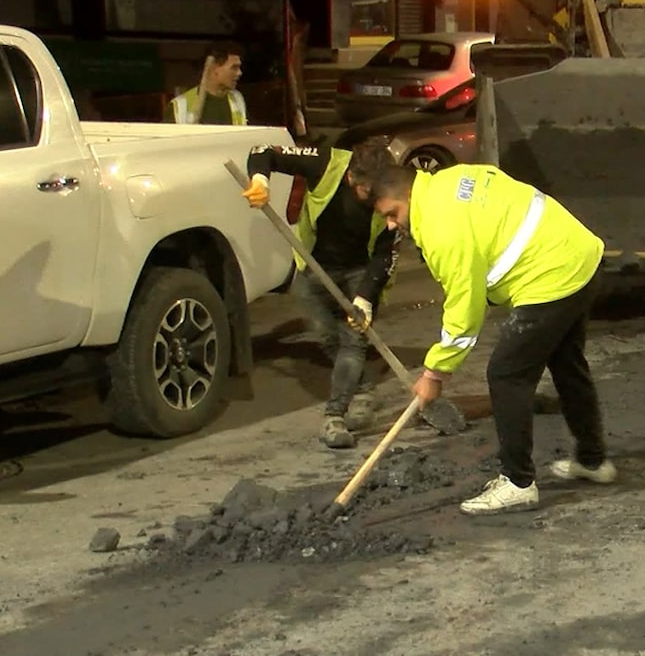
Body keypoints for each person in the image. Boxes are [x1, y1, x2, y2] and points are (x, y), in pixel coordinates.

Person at [367, 162, 616, 516]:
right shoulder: (449, 179)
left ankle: (517, 483)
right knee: (566, 362)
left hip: (550, 274)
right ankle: (593, 461)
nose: (392, 224)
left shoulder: (441, 228)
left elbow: (464, 311)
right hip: (578, 255)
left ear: (408, 194)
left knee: (506, 374)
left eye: (393, 213)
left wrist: (435, 373)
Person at [241, 138, 400, 449]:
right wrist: (260, 179)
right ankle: (365, 388)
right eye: (370, 191)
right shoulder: (325, 163)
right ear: (352, 177)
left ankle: (334, 416)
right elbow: (262, 152)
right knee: (326, 335)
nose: (377, 200)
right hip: (313, 264)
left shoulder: (388, 191)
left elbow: (385, 253)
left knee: (353, 339)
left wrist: (365, 299)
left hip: (361, 270)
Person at [166, 42, 248, 125]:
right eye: (234, 67)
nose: (239, 73)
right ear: (214, 67)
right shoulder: (181, 106)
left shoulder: (237, 100)